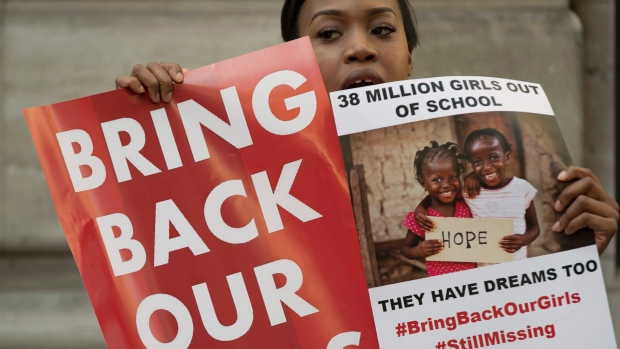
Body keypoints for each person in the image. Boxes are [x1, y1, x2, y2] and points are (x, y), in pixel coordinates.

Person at [114, 0, 618, 254]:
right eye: (329, 33)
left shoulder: (469, 193)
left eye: (382, 29)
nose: (360, 47)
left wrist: (570, 260)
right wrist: (152, 126)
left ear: (409, 57)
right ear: (288, 65)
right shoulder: (243, 182)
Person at [462, 128, 539, 261]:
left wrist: (523, 239)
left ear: (507, 157)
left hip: (517, 264)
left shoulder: (521, 188)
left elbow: (534, 227)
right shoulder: (470, 192)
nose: (486, 167)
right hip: (483, 268)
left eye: (494, 157)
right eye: (477, 162)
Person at [401, 141, 476, 276]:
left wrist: (473, 176)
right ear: (423, 183)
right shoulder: (422, 218)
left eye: (453, 177)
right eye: (437, 180)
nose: (446, 185)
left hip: (474, 277)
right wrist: (417, 251)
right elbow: (406, 249)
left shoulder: (467, 204)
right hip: (442, 283)